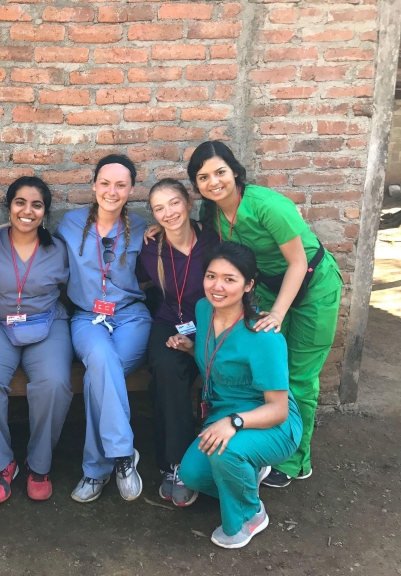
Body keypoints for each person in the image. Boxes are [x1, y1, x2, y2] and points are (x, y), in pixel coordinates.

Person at [186, 141, 342, 489]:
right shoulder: (211, 213)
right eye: (203, 177)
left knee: (300, 376)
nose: (214, 182)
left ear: (236, 172)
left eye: (220, 172)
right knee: (270, 370)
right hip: (269, 285)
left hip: (313, 284)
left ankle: (294, 461)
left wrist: (277, 313)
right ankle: (258, 448)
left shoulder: (267, 205)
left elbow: (298, 262)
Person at [168, 242, 303, 549]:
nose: (217, 287)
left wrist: (235, 422)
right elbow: (217, 358)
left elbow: (278, 409)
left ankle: (250, 515)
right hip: (224, 411)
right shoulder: (204, 310)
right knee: (191, 474)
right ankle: (247, 470)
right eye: (211, 276)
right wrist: (191, 348)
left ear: (248, 284)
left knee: (224, 451)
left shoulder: (263, 335)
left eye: (230, 279)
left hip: (269, 421)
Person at [0, 176, 73, 504]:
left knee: (54, 382)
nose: (28, 211)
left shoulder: (58, 249)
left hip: (47, 322)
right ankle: (1, 463)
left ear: (46, 212)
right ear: (9, 206)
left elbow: (73, 291)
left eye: (37, 205)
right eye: (20, 203)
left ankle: (39, 463)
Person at [55, 154, 152, 503]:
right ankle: (124, 453)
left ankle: (95, 470)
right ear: (94, 185)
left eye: (121, 185)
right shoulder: (69, 224)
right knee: (101, 363)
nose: (112, 191)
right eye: (105, 183)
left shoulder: (143, 228)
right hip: (86, 318)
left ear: (131, 190)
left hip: (130, 316)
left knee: (100, 373)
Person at [136, 178, 218, 507]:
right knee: (166, 366)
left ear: (188, 203)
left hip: (210, 322)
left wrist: (196, 340)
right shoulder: (150, 247)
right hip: (168, 320)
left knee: (198, 372)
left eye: (174, 203)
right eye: (159, 208)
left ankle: (219, 458)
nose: (168, 213)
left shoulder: (212, 243)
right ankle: (177, 466)